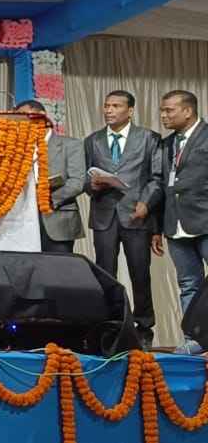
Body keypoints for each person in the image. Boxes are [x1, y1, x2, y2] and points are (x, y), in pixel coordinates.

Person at [84, 90, 163, 348]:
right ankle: (110, 325)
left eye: (116, 106)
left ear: (130, 111)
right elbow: (84, 179)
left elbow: (156, 178)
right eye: (106, 105)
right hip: (104, 215)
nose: (109, 110)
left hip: (136, 215)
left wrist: (146, 203)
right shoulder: (93, 140)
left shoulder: (149, 138)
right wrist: (92, 185)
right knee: (105, 274)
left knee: (140, 274)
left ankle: (144, 328)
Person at [157, 90, 208, 354]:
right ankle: (194, 339)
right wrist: (157, 228)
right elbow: (164, 186)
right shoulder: (167, 144)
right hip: (175, 225)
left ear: (188, 111)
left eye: (169, 110)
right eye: (162, 111)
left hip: (205, 221)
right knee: (189, 284)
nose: (163, 115)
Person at [16, 100, 85, 254]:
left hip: (57, 217)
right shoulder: (17, 148)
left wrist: (47, 199)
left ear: (42, 115)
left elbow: (77, 182)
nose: (21, 122)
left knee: (58, 266)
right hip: (23, 221)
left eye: (24, 116)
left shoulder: (71, 145)